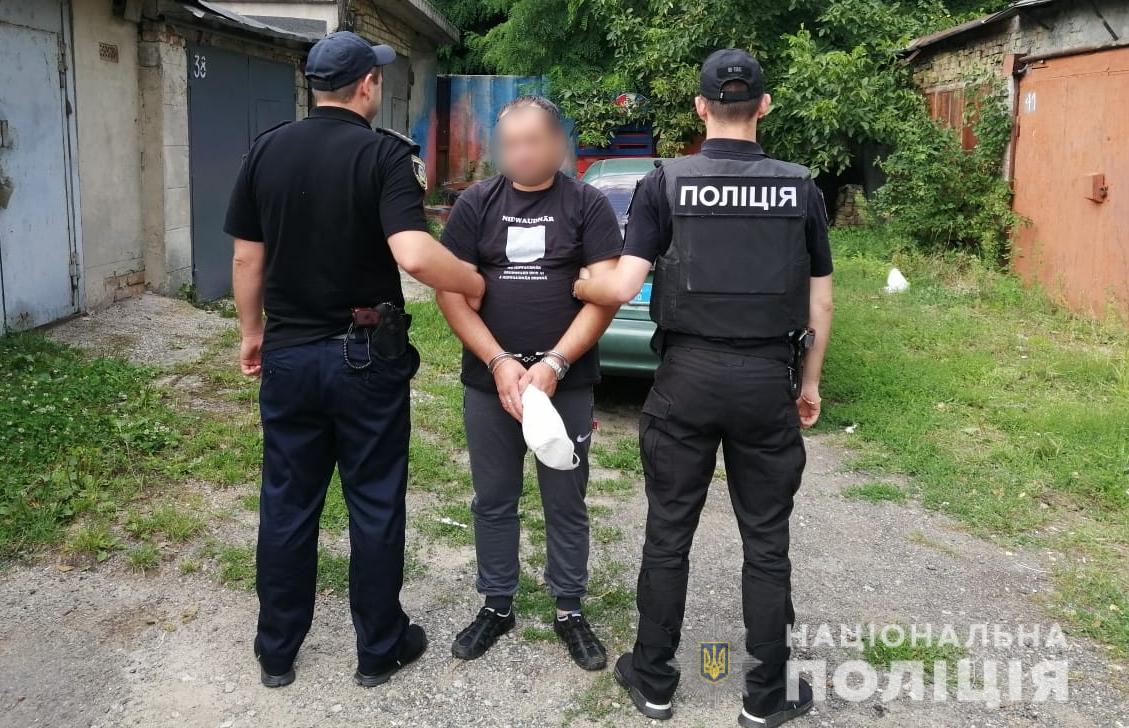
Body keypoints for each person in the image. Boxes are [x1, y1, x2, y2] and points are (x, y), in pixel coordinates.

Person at [572, 49, 834, 726]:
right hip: (766, 379)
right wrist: (808, 381)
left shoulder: (665, 182)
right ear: (764, 106)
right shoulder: (800, 188)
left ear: (700, 107)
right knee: (766, 541)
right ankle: (764, 698)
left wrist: (580, 283)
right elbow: (821, 302)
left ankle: (654, 681)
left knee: (668, 533)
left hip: (685, 379)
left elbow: (622, 286)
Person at [223, 31, 485, 690]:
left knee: (287, 504)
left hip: (288, 355)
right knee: (373, 502)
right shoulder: (383, 156)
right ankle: (378, 649)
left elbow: (247, 258)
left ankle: (276, 652)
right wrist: (473, 281)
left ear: (314, 85)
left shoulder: (265, 150)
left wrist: (251, 332)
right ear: (367, 85)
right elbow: (415, 254)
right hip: (364, 356)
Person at [435, 96, 623, 672]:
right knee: (493, 499)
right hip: (489, 382)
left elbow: (604, 295)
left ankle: (569, 608)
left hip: (565, 383)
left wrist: (556, 363)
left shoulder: (586, 204)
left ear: (558, 142)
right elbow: (450, 291)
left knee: (565, 500)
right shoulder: (475, 203)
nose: (520, 152)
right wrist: (497, 361)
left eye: (532, 140)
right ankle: (496, 604)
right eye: (510, 142)